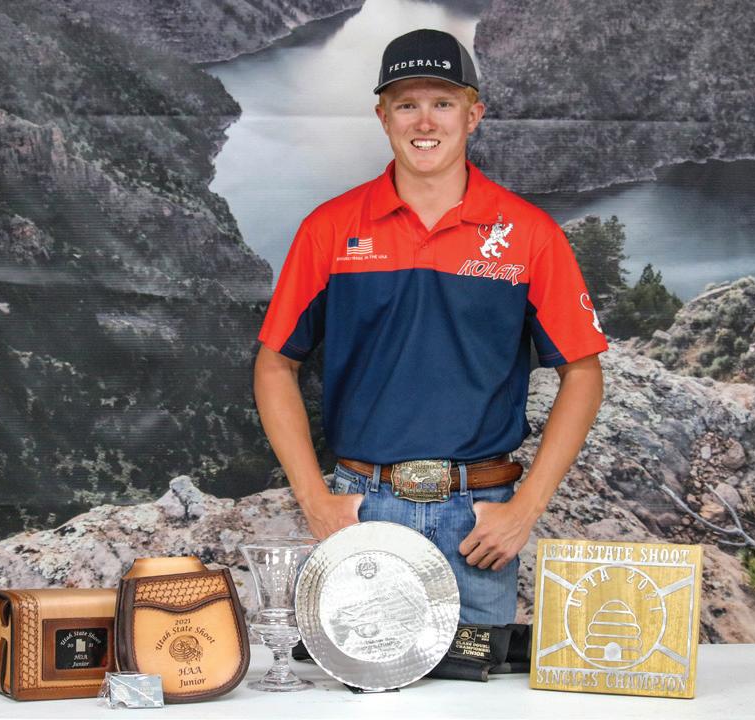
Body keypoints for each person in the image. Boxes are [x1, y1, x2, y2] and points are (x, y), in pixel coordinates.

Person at [254, 28, 607, 624]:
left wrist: (524, 509)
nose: (425, 122)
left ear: (473, 115)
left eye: (443, 103)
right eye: (406, 104)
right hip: (363, 512)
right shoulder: (329, 230)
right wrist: (315, 500)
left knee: (477, 681)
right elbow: (274, 365)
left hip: (479, 521)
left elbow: (584, 372)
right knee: (363, 679)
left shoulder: (529, 234)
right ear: (382, 117)